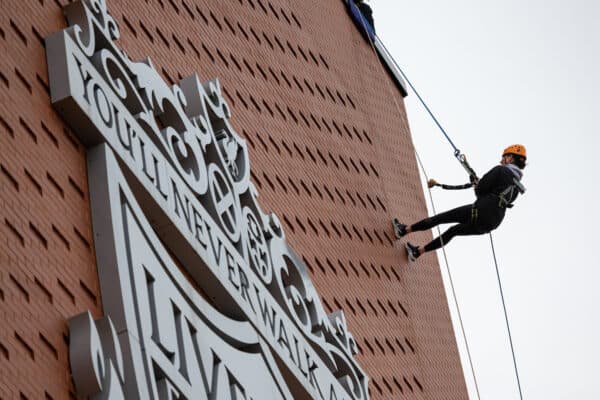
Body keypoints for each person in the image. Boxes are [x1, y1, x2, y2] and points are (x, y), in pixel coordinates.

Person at [393, 145, 527, 262]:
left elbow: (481, 190)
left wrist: (477, 185)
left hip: (480, 210)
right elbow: (491, 196)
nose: (501, 160)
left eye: (504, 157)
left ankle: (403, 230)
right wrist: (479, 186)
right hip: (491, 224)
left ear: (510, 158)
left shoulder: (500, 170)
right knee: (453, 232)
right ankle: (417, 253)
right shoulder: (517, 188)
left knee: (441, 218)